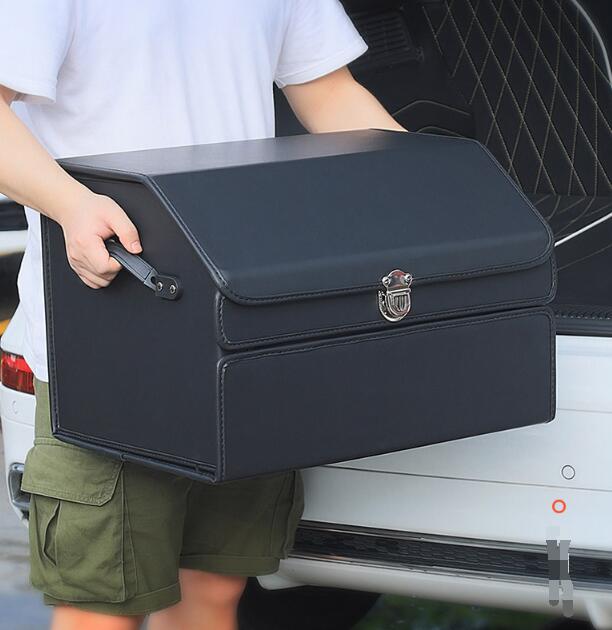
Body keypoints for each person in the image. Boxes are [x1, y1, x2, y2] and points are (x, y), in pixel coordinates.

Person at [0, 2, 404, 629]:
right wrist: (71, 206)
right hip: (109, 342)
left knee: (213, 589)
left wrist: (429, 195)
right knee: (101, 607)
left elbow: (329, 93)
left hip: (242, 329)